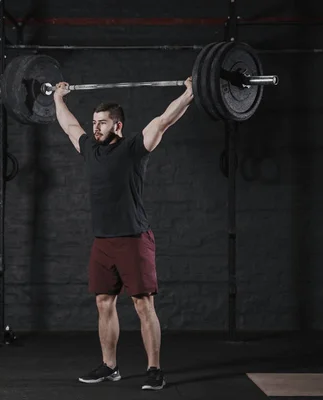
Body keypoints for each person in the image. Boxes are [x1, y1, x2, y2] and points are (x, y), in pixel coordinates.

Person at [53, 77, 193, 391]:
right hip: (102, 241)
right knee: (104, 302)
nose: (95, 128)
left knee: (143, 305)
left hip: (133, 238)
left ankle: (154, 369)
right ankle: (109, 366)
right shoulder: (90, 149)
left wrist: (191, 91)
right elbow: (68, 126)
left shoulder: (132, 148)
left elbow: (164, 121)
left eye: (102, 123)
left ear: (118, 126)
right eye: (94, 123)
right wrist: (59, 98)